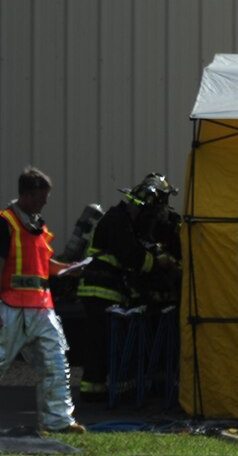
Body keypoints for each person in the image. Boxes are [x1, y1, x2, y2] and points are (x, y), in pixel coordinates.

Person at [75, 173, 178, 400]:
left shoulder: (126, 221)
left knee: (105, 342)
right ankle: (92, 393)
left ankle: (102, 389)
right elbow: (131, 256)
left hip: (109, 289)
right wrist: (159, 262)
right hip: (98, 289)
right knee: (98, 342)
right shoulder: (117, 220)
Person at [1, 167, 86, 434]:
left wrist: (65, 269)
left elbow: (40, 264)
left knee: (56, 363)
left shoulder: (37, 225)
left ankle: (58, 421)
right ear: (26, 194)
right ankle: (57, 419)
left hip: (41, 307)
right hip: (10, 307)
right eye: (41, 196)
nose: (45, 202)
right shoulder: (5, 222)